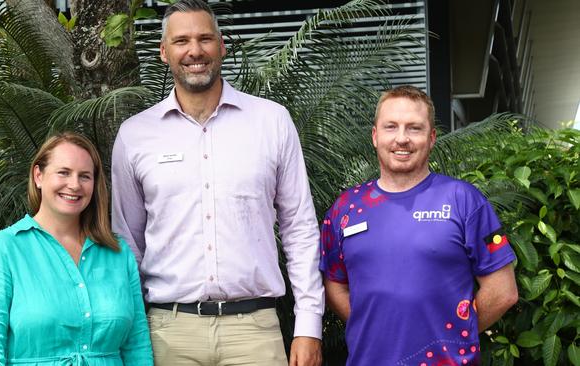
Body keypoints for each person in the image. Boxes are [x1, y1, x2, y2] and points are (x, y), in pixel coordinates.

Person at [111, 1, 324, 365]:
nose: (195, 51)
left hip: (254, 330)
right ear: (164, 52)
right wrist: (132, 333)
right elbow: (127, 241)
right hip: (168, 332)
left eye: (205, 38)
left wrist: (308, 325)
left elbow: (299, 228)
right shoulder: (135, 136)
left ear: (222, 46)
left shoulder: (271, 122)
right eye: (181, 41)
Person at [320, 85, 519, 365]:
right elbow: (334, 285)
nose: (402, 139)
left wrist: (457, 332)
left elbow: (503, 291)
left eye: (414, 128)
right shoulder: (345, 209)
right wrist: (376, 329)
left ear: (432, 137)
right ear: (375, 136)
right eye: (391, 127)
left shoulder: (464, 201)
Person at [0, 132, 154, 366]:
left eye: (85, 176)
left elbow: (137, 347)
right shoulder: (1, 251)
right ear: (38, 176)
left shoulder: (118, 253)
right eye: (63, 172)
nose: (74, 185)